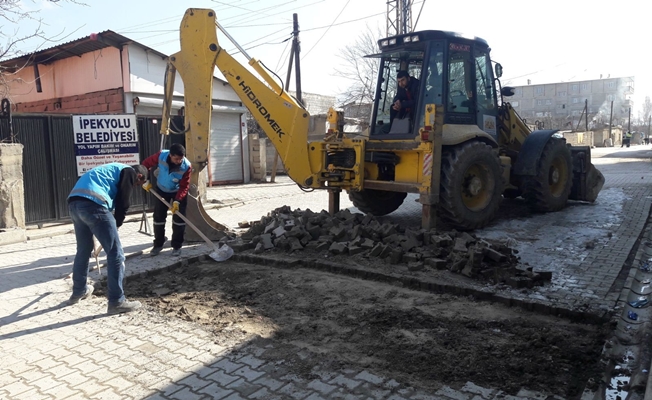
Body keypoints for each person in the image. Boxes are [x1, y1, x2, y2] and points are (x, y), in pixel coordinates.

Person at [67, 163, 148, 314]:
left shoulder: (111, 170)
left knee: (83, 251)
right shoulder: (129, 172)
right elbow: (124, 201)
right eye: (138, 184)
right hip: (94, 205)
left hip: (74, 204)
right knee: (116, 254)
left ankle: (78, 291)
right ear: (140, 176)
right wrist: (117, 222)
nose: (135, 186)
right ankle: (117, 301)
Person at [141, 143, 192, 257]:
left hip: (178, 192)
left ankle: (177, 246)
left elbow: (184, 186)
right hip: (161, 190)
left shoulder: (187, 166)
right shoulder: (161, 156)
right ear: (170, 155)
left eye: (181, 159)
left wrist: (177, 201)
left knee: (179, 220)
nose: (179, 161)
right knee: (158, 218)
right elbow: (145, 165)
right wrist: (145, 180)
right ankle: (158, 244)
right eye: (176, 159)